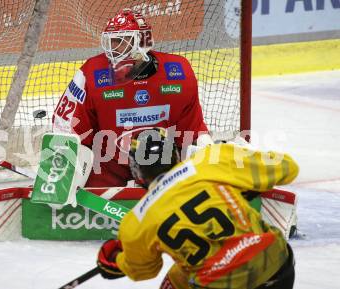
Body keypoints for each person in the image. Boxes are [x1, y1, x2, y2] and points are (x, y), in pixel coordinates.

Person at [96, 129, 297, 289]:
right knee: (178, 276)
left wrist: (118, 261)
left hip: (221, 284)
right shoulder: (211, 160)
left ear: (136, 170)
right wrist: (245, 184)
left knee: (177, 278)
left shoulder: (136, 222)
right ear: (175, 155)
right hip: (275, 265)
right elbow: (289, 168)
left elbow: (143, 270)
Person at [52, 8, 210, 187]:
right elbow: (66, 129)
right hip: (107, 166)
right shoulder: (91, 73)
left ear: (143, 41)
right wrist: (61, 181)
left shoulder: (178, 72)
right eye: (111, 42)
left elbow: (193, 132)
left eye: (121, 41)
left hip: (161, 168)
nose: (114, 48)